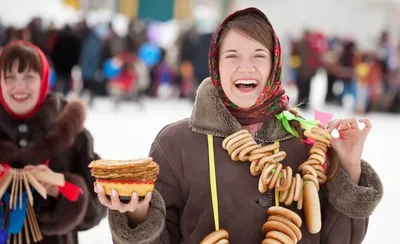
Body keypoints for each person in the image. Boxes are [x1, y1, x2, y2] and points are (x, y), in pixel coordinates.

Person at [96, 8, 383, 243]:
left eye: (259, 56)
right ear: (216, 65)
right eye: (232, 56)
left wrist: (349, 166)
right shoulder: (175, 144)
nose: (245, 67)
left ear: (274, 66)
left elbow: (341, 240)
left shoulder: (309, 142)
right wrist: (137, 214)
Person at [0, 40, 107, 243]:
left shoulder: (74, 135)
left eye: (29, 77)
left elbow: (99, 206)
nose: (19, 86)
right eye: (10, 77)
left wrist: (64, 188)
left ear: (44, 80)